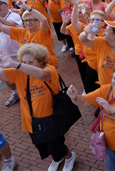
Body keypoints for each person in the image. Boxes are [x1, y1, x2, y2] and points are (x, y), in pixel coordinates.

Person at [0, 43, 75, 171]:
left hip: (52, 119)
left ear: (41, 61)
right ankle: (57, 158)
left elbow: (42, 75)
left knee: (56, 144)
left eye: (30, 62)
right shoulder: (19, 72)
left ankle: (69, 157)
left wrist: (16, 64)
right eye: (24, 62)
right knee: (44, 145)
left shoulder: (50, 70)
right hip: (32, 121)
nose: (26, 65)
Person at [67, 64, 115, 171]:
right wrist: (75, 97)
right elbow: (84, 101)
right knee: (111, 169)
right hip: (106, 142)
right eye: (114, 78)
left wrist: (112, 109)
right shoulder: (106, 89)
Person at [0, 0, 22, 106]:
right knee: (6, 78)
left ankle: (26, 93)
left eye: (0, 4)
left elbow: (9, 24)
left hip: (18, 54)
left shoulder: (14, 15)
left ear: (6, 4)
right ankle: (16, 92)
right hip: (3, 56)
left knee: (23, 76)